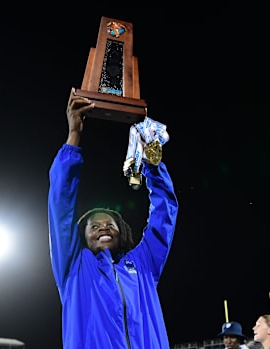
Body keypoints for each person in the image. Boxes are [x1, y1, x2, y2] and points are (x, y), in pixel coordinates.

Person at [47, 87, 179, 349]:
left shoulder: (143, 264)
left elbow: (164, 215)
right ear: (82, 237)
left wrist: (152, 165)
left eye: (110, 224)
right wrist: (74, 135)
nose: (103, 229)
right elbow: (60, 204)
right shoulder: (74, 266)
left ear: (122, 232)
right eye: (94, 226)